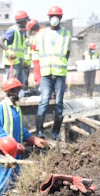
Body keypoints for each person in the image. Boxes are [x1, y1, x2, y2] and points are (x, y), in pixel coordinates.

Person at [32, 5, 71, 141]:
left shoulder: (66, 34)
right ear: (49, 18)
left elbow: (67, 53)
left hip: (60, 73)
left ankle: (55, 134)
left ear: (60, 18)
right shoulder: (42, 33)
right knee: (44, 100)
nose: (54, 19)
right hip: (46, 73)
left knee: (59, 103)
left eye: (57, 16)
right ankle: (40, 132)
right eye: (52, 16)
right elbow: (35, 49)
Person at [0, 10, 29, 82]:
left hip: (19, 62)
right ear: (23, 21)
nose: (27, 22)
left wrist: (23, 61)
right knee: (12, 85)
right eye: (26, 20)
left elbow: (20, 50)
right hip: (12, 62)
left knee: (21, 84)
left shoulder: (21, 32)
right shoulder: (12, 30)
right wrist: (8, 51)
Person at [23, 19, 41, 93]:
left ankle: (38, 90)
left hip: (31, 61)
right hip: (25, 62)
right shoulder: (25, 39)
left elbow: (37, 47)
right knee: (24, 78)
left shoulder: (32, 38)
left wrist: (31, 45)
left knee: (36, 77)